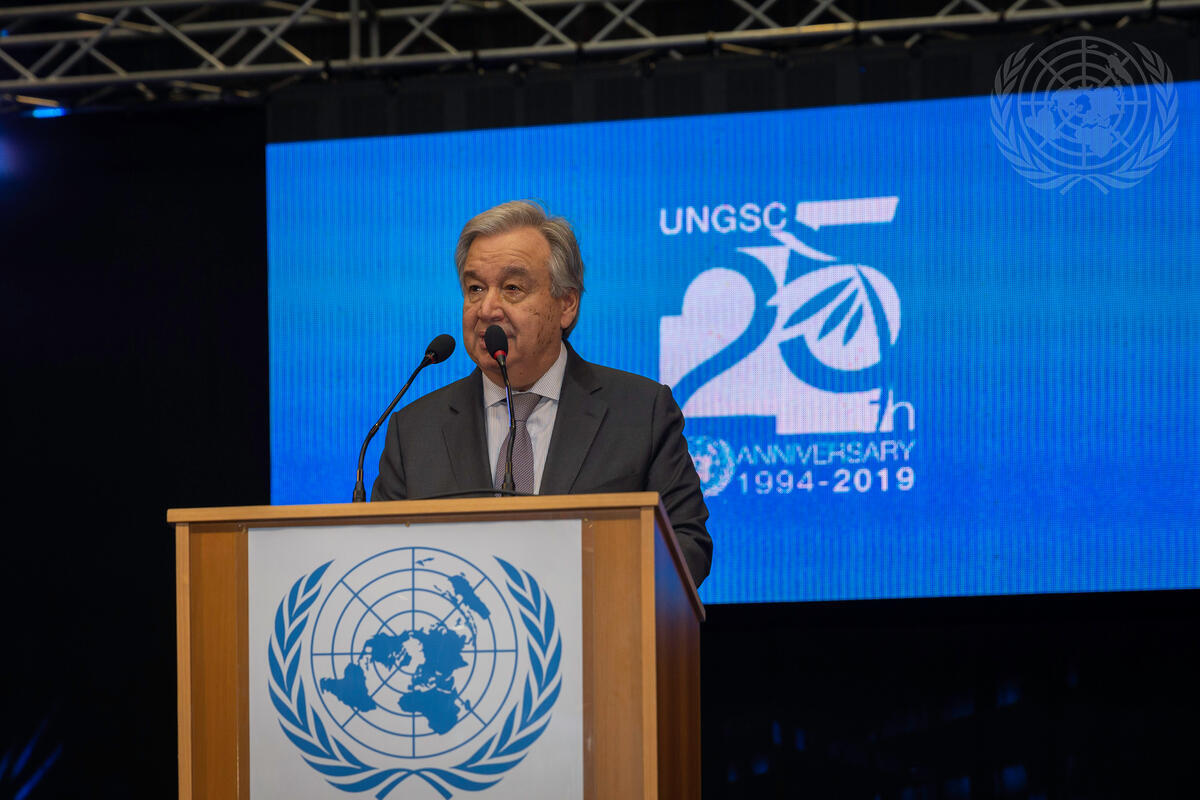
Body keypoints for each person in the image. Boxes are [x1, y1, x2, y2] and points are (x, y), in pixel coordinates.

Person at [372, 200, 712, 587]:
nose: (487, 309)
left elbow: (687, 547)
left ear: (566, 304)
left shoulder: (639, 412)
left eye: (512, 288)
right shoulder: (414, 431)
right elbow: (383, 564)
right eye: (475, 288)